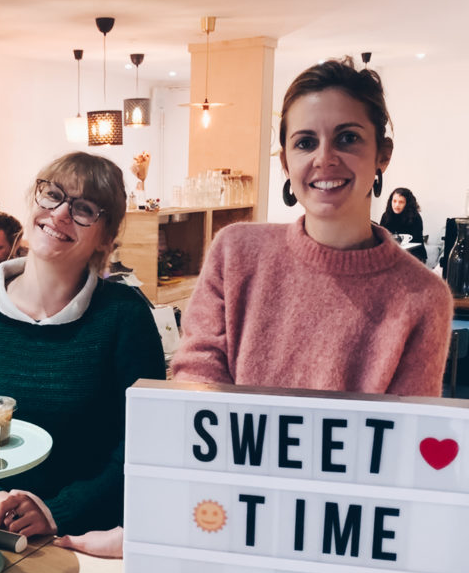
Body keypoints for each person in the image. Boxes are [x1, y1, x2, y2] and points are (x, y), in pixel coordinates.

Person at [173, 57, 453, 396]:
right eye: (305, 143)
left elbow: (408, 423)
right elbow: (197, 379)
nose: (324, 159)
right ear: (286, 163)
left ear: (383, 154)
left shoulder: (423, 297)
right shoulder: (235, 253)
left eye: (347, 138)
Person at [0, 152, 166, 539]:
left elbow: (146, 443)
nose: (61, 213)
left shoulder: (125, 316)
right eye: (53, 194)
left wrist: (58, 511)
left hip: (85, 538)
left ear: (106, 238)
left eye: (84, 208)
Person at [380, 187, 428, 263]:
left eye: (401, 202)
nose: (396, 205)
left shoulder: (415, 217)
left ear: (407, 204)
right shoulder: (386, 216)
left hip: (414, 254)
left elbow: (415, 242)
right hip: (392, 252)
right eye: (394, 201)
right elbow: (381, 237)